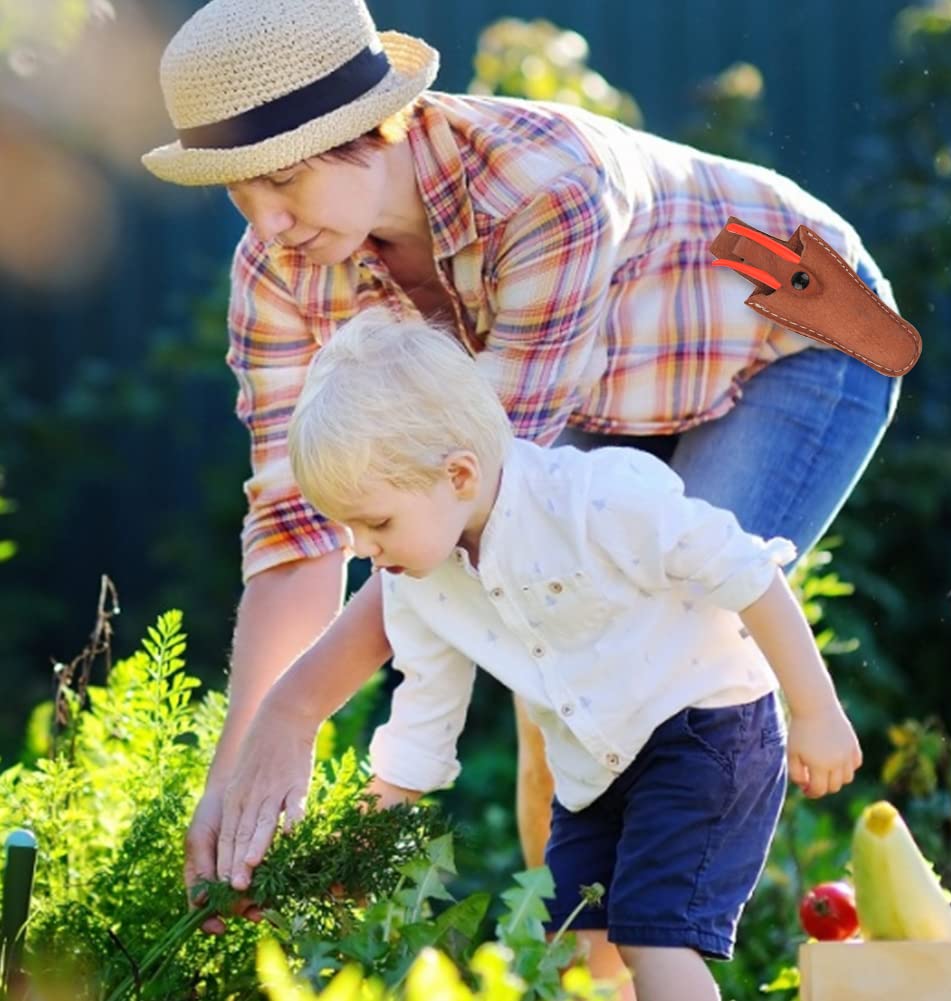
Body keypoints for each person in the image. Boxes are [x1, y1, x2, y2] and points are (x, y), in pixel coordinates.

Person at [141, 0, 902, 947]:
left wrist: (301, 706)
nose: (267, 226)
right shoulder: (278, 269)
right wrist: (242, 764)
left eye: (284, 183)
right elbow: (297, 527)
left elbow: (482, 496)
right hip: (609, 392)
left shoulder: (546, 189)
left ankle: (660, 949)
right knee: (550, 676)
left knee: (642, 646)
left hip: (792, 340)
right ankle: (576, 965)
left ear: (370, 129)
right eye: (239, 194)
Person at [238, 310, 861, 1001]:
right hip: (594, 773)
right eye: (348, 527)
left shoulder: (598, 498)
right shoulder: (416, 588)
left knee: (654, 941)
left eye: (376, 521)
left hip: (704, 730)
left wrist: (815, 709)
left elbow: (746, 571)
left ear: (459, 474)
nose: (361, 546)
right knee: (567, 945)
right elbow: (419, 730)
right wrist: (349, 853)